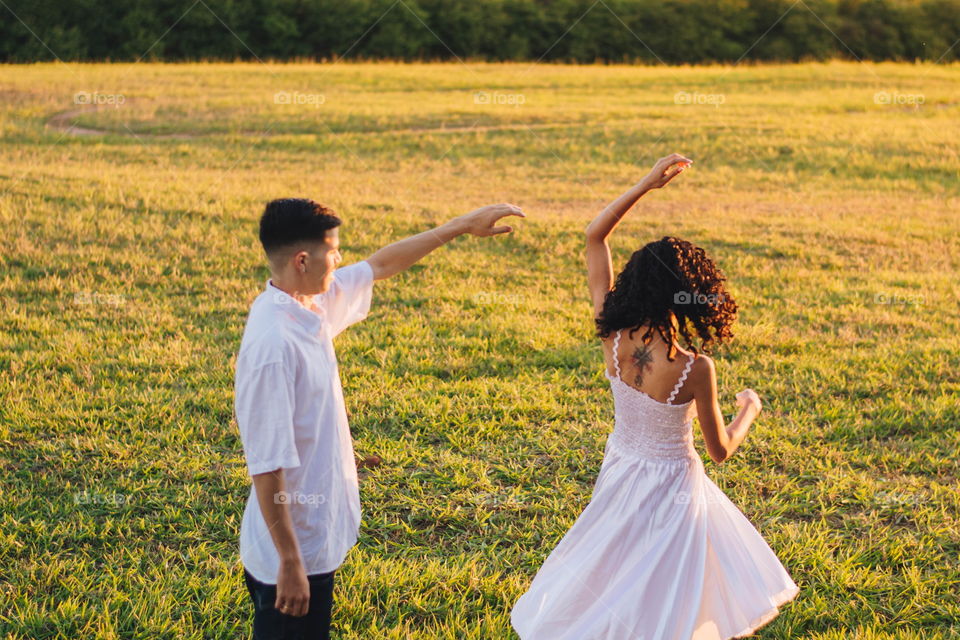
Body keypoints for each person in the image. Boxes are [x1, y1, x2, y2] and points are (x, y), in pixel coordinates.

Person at [510, 154, 799, 639]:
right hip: (673, 491)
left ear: (636, 282)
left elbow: (593, 236)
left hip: (622, 467)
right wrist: (749, 410)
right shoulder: (693, 368)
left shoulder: (613, 333)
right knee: (668, 592)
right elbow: (720, 452)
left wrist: (645, 184)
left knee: (616, 567)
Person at [234, 197, 524, 639]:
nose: (340, 259)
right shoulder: (274, 344)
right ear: (302, 259)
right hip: (290, 555)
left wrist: (461, 225)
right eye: (333, 250)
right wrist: (291, 564)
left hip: (311, 539)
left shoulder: (305, 302)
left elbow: (381, 264)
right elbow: (266, 467)